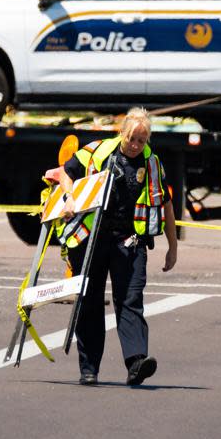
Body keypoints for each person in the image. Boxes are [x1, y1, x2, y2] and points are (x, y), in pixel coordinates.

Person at [57, 107, 177, 386]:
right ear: (121, 133)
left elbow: (166, 205)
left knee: (131, 301)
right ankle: (89, 369)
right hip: (91, 240)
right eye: (132, 139)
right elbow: (65, 173)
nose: (135, 146)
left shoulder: (152, 164)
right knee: (89, 302)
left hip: (130, 243)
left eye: (142, 141)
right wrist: (70, 197)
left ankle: (136, 362)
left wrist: (173, 247)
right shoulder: (97, 152)